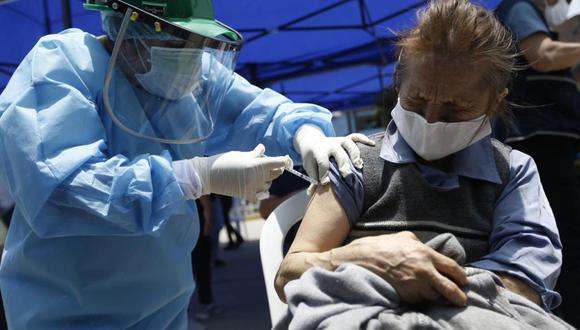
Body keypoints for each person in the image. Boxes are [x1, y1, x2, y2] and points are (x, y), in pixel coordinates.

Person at [0, 0, 374, 328]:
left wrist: (307, 135)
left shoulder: (195, 76)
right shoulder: (62, 65)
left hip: (164, 307)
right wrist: (197, 176)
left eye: (199, 44)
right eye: (178, 40)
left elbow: (260, 110)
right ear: (128, 24)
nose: (191, 55)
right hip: (65, 310)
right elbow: (66, 186)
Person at [274, 0, 571, 328]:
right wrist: (359, 259)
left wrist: (423, 283)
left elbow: (526, 283)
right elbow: (288, 275)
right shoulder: (353, 161)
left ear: (495, 100)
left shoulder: (513, 171)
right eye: (416, 100)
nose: (430, 120)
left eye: (456, 110)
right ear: (399, 78)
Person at [495, 0, 580, 326]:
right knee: (565, 236)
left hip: (547, 140)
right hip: (538, 141)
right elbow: (542, 55)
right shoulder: (519, 6)